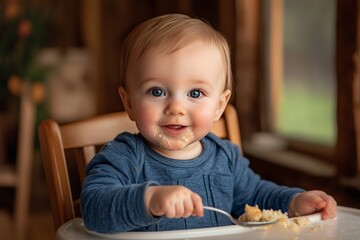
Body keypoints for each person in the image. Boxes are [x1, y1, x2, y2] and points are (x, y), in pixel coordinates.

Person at [80, 13, 337, 234]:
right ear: (129, 103)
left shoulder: (224, 157)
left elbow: (257, 196)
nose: (176, 108)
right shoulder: (124, 157)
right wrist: (147, 200)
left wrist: (293, 202)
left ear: (219, 106)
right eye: (157, 92)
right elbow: (93, 208)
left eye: (195, 93)